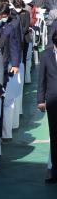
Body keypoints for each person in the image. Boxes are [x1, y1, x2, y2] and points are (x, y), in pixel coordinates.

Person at [37, 31, 57, 184]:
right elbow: (41, 79)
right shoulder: (45, 55)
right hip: (52, 101)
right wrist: (40, 100)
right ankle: (54, 171)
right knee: (54, 135)